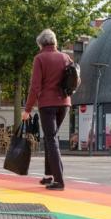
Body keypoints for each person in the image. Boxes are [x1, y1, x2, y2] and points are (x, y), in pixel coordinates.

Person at [22, 29, 71, 191]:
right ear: (54, 42)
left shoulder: (40, 59)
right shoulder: (65, 57)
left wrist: (27, 109)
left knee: (51, 139)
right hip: (64, 103)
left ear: (40, 44)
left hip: (47, 104)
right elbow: (76, 78)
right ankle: (50, 175)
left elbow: (35, 86)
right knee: (52, 137)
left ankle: (59, 180)